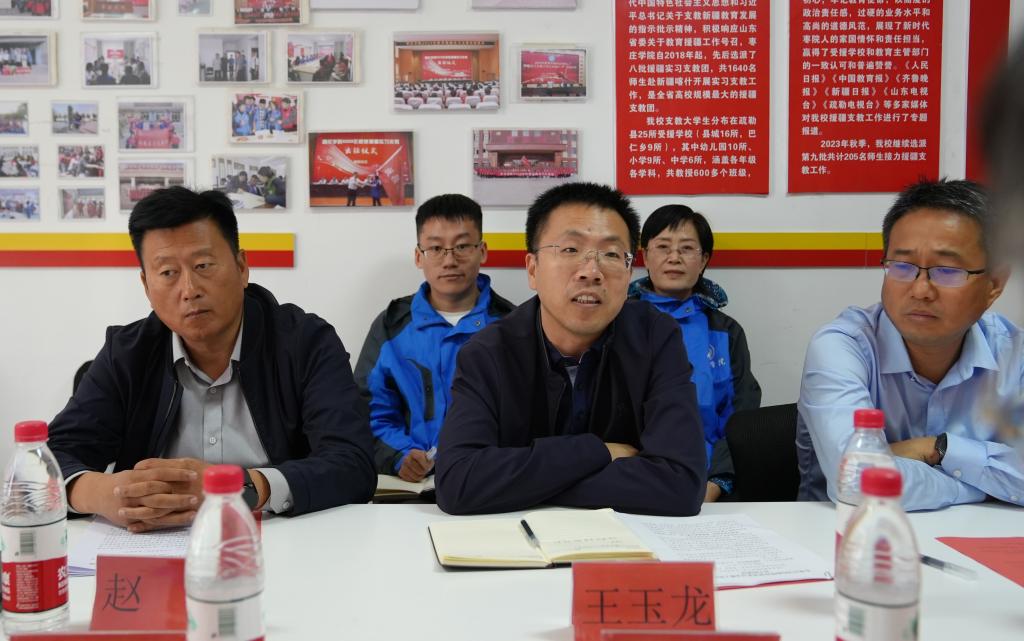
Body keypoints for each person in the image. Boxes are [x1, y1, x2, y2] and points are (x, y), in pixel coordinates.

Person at [48, 186, 376, 532]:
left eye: (203, 265)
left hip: (280, 538)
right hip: (155, 545)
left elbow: (352, 463)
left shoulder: (305, 343)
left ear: (241, 267)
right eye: (168, 273)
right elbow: (50, 458)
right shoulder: (126, 354)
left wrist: (242, 488)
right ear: (146, 285)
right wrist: (101, 493)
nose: (189, 290)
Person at [435, 182, 707, 515]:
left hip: (626, 541)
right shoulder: (488, 353)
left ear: (629, 272)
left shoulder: (656, 338)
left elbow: (681, 485)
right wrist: (599, 452)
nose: (591, 271)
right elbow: (459, 482)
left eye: (611, 254)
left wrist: (525, 484)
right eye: (570, 249)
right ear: (533, 269)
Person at [796, 179, 1024, 511]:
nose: (920, 290)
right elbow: (857, 481)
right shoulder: (843, 346)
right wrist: (985, 486)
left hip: (985, 538)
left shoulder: (1015, 354)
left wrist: (940, 448)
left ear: (994, 284)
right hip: (846, 533)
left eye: (947, 270)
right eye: (902, 266)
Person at [355, 194, 515, 481]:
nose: (449, 260)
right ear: (419, 256)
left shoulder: (512, 327)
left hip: (491, 481)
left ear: (482, 251)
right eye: (436, 248)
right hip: (412, 488)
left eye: (462, 246)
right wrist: (400, 455)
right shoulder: (391, 327)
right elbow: (367, 411)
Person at [628, 205, 761, 502]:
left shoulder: (727, 332)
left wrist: (715, 483)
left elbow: (742, 417)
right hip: (630, 479)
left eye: (687, 248)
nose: (674, 257)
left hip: (710, 481)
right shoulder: (617, 324)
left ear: (703, 260)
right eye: (663, 247)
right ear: (645, 256)